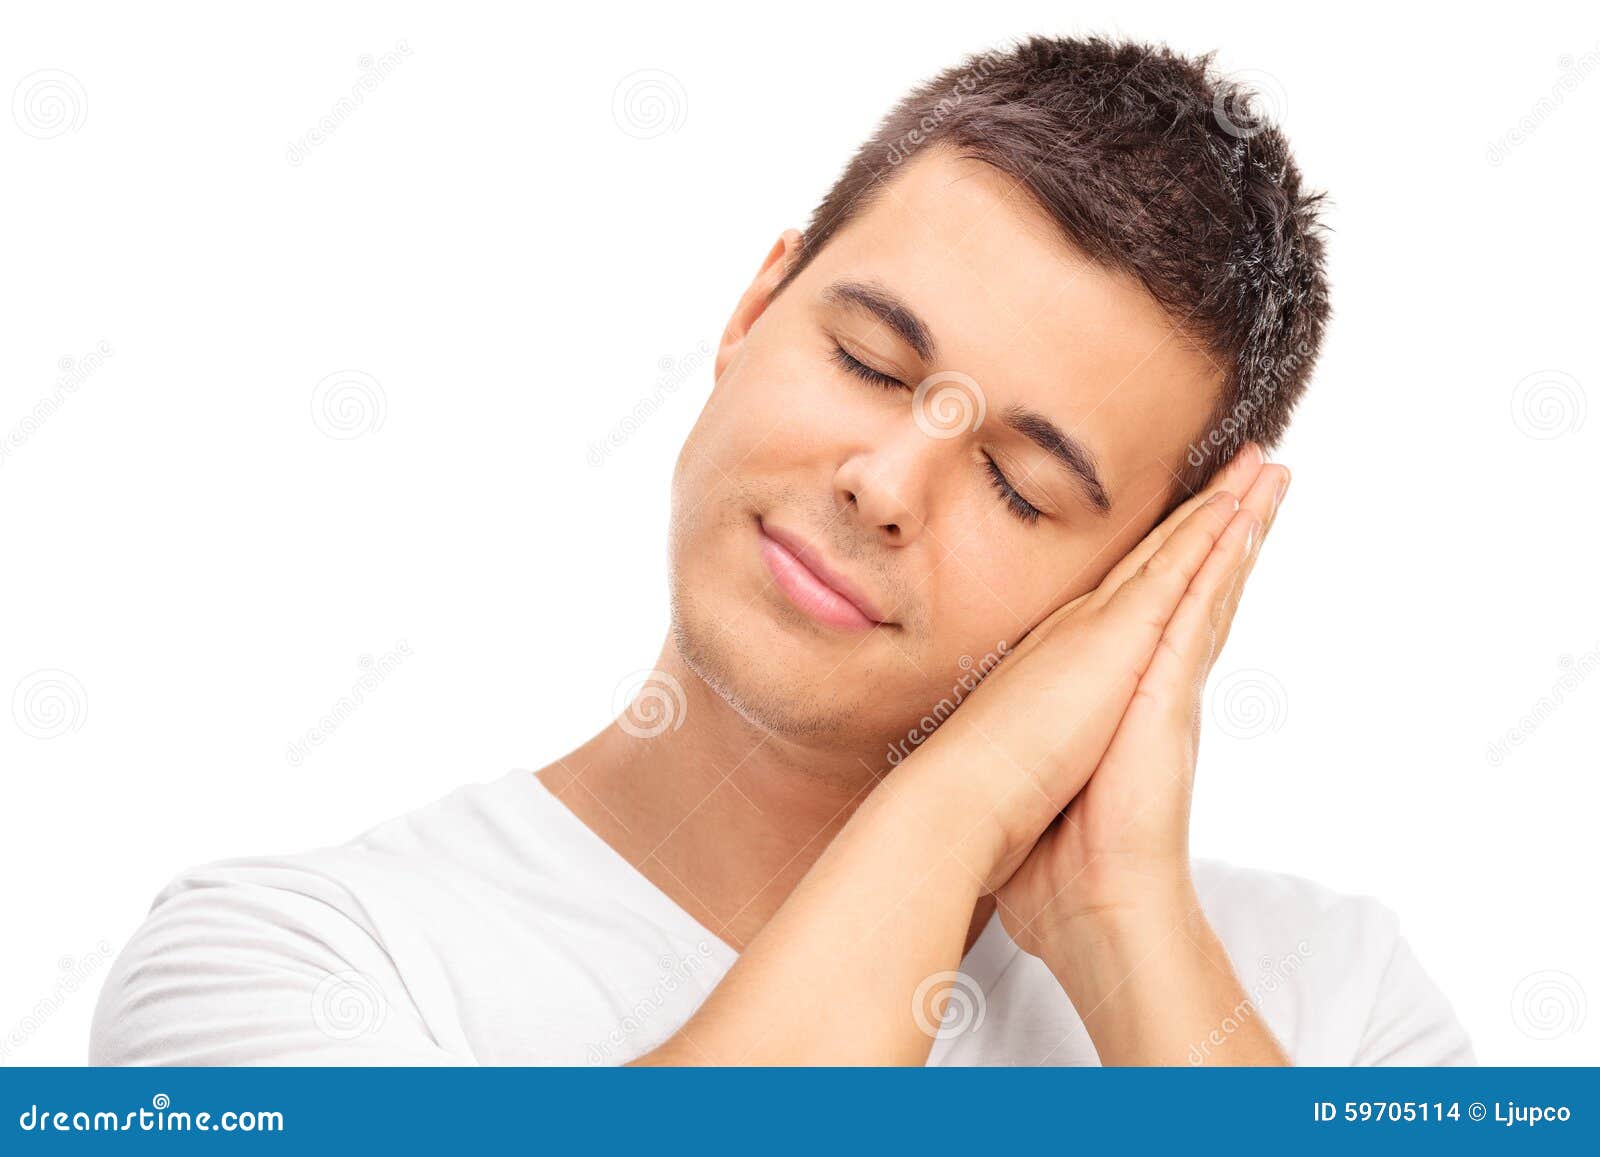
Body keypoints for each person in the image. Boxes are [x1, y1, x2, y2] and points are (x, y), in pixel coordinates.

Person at [91, 35, 1472, 1066]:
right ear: (759, 305)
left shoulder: (1323, 998)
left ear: (1152, 583)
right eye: (871, 363)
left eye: (1017, 480)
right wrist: (959, 801)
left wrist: (1120, 927)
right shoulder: (286, 962)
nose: (885, 483)